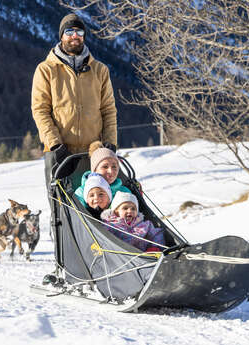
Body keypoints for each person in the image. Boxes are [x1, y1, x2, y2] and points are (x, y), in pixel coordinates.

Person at [31, 13, 118, 189]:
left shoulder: (100, 70)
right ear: (61, 35)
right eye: (69, 31)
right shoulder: (46, 70)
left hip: (93, 152)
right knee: (61, 206)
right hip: (59, 152)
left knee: (93, 204)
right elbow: (40, 110)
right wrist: (56, 144)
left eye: (79, 32)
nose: (74, 36)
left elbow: (108, 110)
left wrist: (110, 143)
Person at [101, 191, 165, 252]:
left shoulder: (144, 224)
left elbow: (156, 234)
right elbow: (105, 239)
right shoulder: (111, 225)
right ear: (116, 211)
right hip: (125, 255)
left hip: (146, 254)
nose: (130, 211)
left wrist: (155, 247)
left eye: (133, 209)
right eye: (125, 208)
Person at [74, 141, 131, 206]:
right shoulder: (81, 193)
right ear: (94, 170)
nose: (110, 171)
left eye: (114, 167)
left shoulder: (124, 192)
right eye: (105, 167)